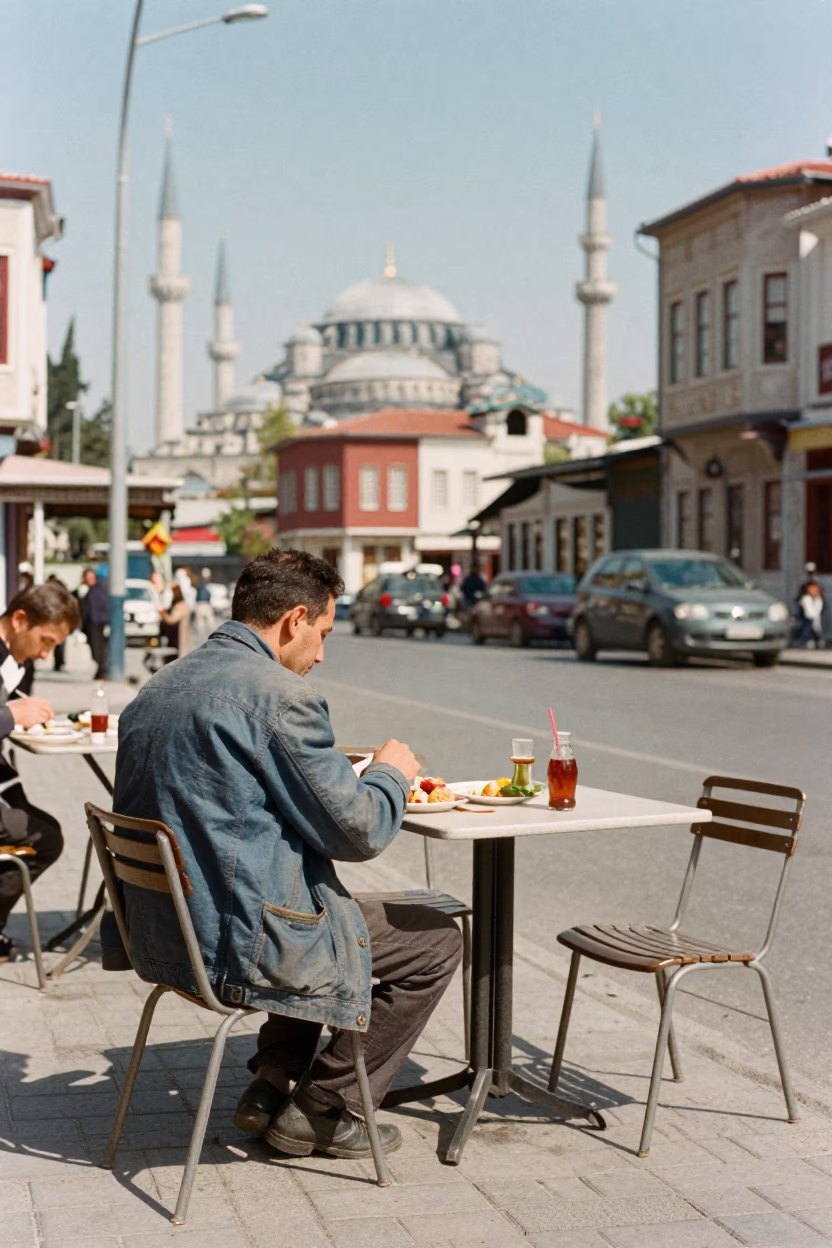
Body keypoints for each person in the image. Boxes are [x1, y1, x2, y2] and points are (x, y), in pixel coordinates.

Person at [110, 547, 461, 1162]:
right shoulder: (279, 697)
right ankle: (326, 1107)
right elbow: (360, 835)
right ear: (295, 619)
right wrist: (389, 775)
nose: (321, 654)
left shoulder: (157, 686)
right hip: (237, 944)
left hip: (164, 937)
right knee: (434, 939)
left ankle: (272, 1084)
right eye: (323, 634)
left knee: (312, 900)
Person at [0, 582, 80, 961]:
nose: (46, 654)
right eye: (45, 641)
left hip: (5, 780)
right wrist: (10, 716)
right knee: (44, 838)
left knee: (42, 832)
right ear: (19, 620)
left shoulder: (20, 662)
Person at [79, 568, 109, 679]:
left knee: (99, 649)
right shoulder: (87, 590)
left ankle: (102, 671)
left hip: (100, 622)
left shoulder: (101, 589)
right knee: (94, 648)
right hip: (90, 623)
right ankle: (100, 670)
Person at [159, 583, 193, 657]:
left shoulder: (179, 606)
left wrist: (163, 614)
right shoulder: (184, 604)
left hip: (179, 638)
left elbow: (172, 619)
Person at [796, 579, 825, 649]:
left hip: (815, 620)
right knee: (806, 631)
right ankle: (803, 643)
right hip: (807, 619)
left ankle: (818, 642)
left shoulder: (818, 599)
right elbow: (809, 612)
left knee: (817, 632)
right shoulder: (806, 599)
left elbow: (818, 610)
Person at [194, 568, 215, 644]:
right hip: (202, 605)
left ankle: (207, 639)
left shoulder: (202, 584)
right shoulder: (202, 584)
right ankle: (203, 640)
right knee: (202, 624)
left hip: (204, 605)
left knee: (208, 624)